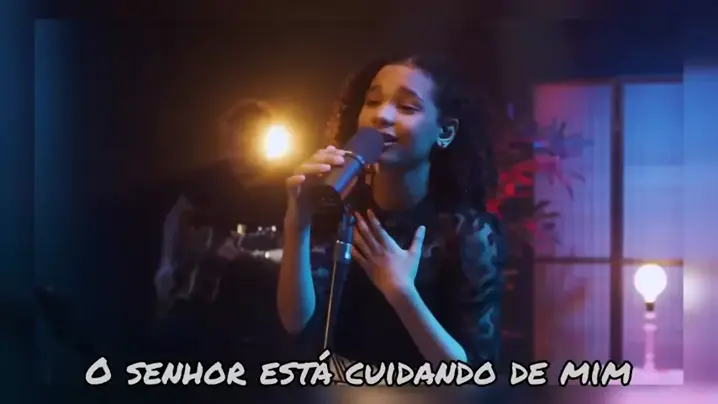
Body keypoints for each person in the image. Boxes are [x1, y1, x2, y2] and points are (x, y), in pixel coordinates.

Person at [277, 54, 506, 376]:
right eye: (372, 102)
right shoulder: (338, 206)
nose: (381, 115)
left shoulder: (469, 233)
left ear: (445, 132)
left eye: (407, 107)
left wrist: (401, 292)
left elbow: (472, 374)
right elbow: (296, 322)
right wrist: (297, 223)